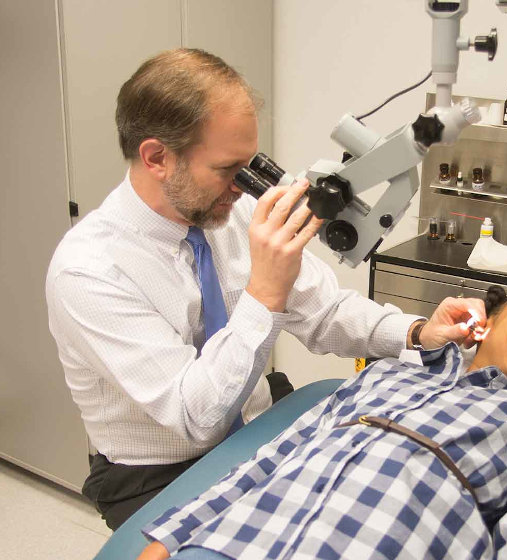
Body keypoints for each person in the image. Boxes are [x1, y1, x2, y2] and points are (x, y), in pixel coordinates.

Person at [45, 48, 484, 531]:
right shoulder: (88, 271)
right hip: (158, 470)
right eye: (228, 169)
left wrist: (418, 332)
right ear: (157, 158)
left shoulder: (230, 211)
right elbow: (195, 417)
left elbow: (325, 312)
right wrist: (265, 292)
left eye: (251, 164)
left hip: (256, 418)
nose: (244, 185)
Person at [137, 287, 507, 560]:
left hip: (378, 543)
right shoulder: (387, 372)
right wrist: (175, 535)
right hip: (247, 537)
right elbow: (276, 456)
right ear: (486, 325)